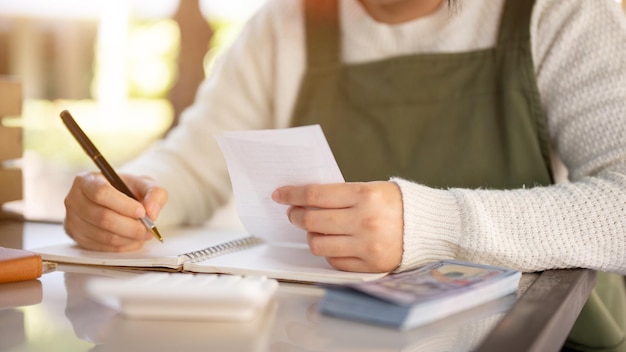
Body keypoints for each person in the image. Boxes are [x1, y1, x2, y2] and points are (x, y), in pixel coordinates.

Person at [63, 0, 626, 350]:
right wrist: (128, 193)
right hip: (326, 335)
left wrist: (428, 222)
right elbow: (194, 160)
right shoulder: (287, 22)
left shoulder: (562, 12)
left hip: (542, 335)